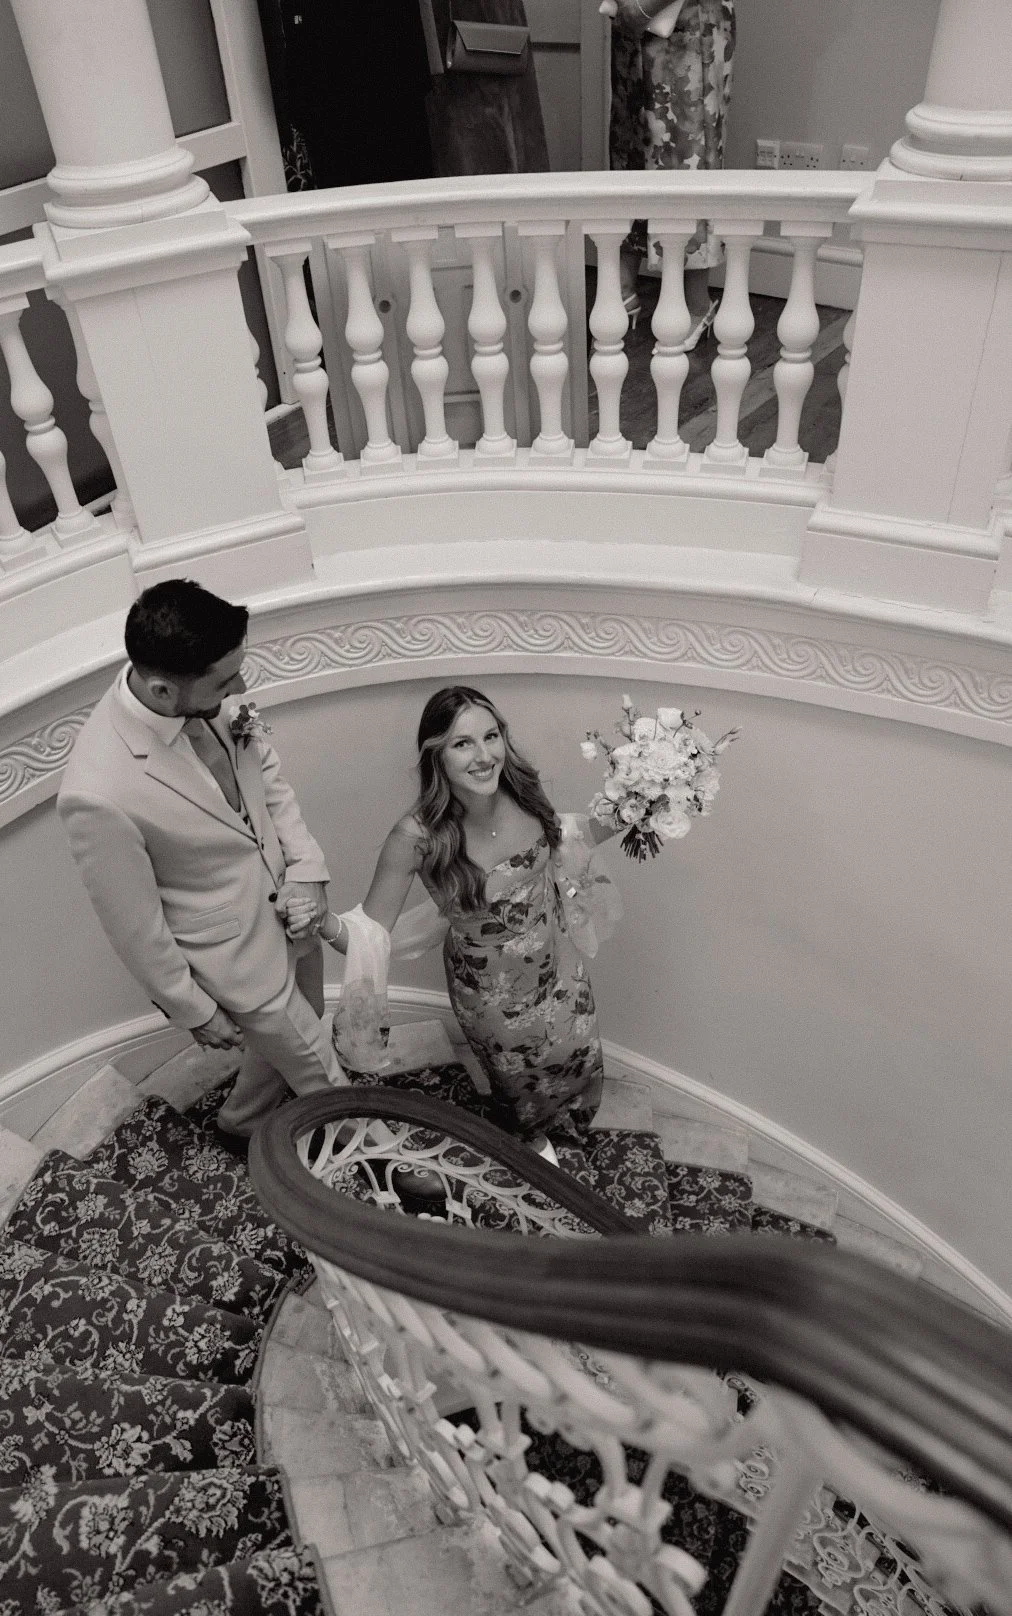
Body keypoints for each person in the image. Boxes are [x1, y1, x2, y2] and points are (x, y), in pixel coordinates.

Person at [57, 578, 342, 1143]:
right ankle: (387, 1160)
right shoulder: (96, 792)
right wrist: (193, 1009)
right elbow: (133, 927)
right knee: (321, 1069)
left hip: (294, 916)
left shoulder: (210, 695)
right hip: (235, 960)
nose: (241, 686)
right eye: (225, 679)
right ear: (163, 692)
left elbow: (272, 786)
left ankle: (241, 1122)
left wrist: (306, 872)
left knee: (294, 1036)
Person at [290, 686, 619, 1160]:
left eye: (491, 736)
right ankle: (528, 1141)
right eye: (463, 743)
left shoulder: (524, 789)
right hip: (493, 997)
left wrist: (637, 808)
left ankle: (568, 1128)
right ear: (436, 755)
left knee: (578, 1055)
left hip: (559, 968)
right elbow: (369, 934)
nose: (484, 756)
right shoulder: (416, 835)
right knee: (519, 1080)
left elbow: (568, 839)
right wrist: (322, 923)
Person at [609, 0, 736, 346]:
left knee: (690, 151)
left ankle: (697, 302)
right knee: (631, 143)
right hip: (633, 24)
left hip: (692, 24)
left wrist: (643, 6)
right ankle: (623, 283)